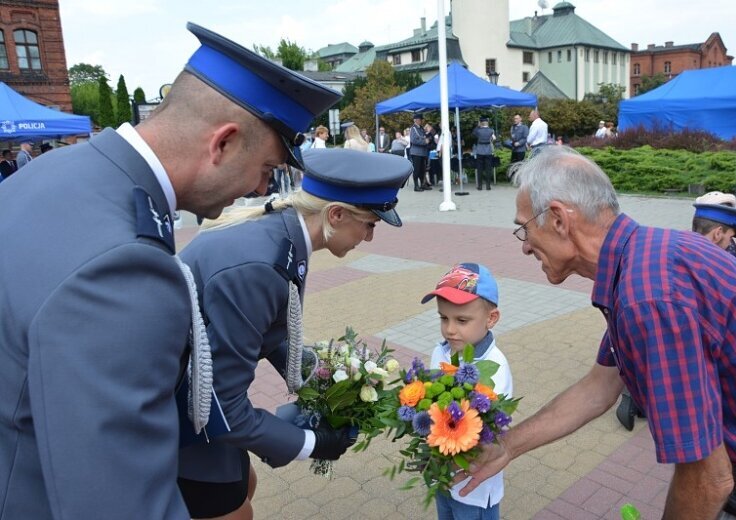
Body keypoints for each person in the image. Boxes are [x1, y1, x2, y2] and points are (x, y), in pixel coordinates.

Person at [0, 22, 342, 520]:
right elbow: (120, 503)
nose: (255, 191)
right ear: (222, 143)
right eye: (266, 171)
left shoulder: (55, 173)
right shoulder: (126, 268)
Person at [459, 146, 736, 520]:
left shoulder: (647, 296)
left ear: (560, 220)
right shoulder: (643, 257)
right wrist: (506, 446)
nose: (526, 246)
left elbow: (708, 479)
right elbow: (600, 386)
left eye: (524, 229)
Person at [177, 148, 412, 519]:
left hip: (192, 394)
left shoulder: (281, 233)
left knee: (245, 485)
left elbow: (268, 326)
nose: (368, 238)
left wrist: (324, 372)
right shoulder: (261, 264)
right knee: (237, 511)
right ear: (335, 214)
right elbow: (224, 409)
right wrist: (312, 443)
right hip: (180, 411)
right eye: (370, 224)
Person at [420, 263, 511, 520]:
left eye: (461, 320)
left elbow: (488, 431)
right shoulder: (442, 352)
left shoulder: (496, 367)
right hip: (443, 477)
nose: (450, 329)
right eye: (443, 318)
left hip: (475, 486)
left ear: (491, 318)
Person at [472, 116, 495, 191]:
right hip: (488, 151)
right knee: (488, 169)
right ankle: (488, 186)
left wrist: (478, 126)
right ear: (487, 122)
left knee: (480, 169)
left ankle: (480, 186)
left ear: (481, 123)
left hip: (480, 151)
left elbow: (473, 133)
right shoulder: (491, 130)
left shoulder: (478, 131)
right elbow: (494, 138)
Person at [409, 113, 430, 191]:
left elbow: (424, 137)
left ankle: (422, 184)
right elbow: (413, 140)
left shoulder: (421, 128)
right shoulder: (413, 129)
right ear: (416, 120)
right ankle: (416, 186)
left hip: (422, 152)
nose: (421, 121)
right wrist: (425, 142)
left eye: (421, 120)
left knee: (422, 170)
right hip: (416, 152)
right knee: (417, 170)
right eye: (420, 120)